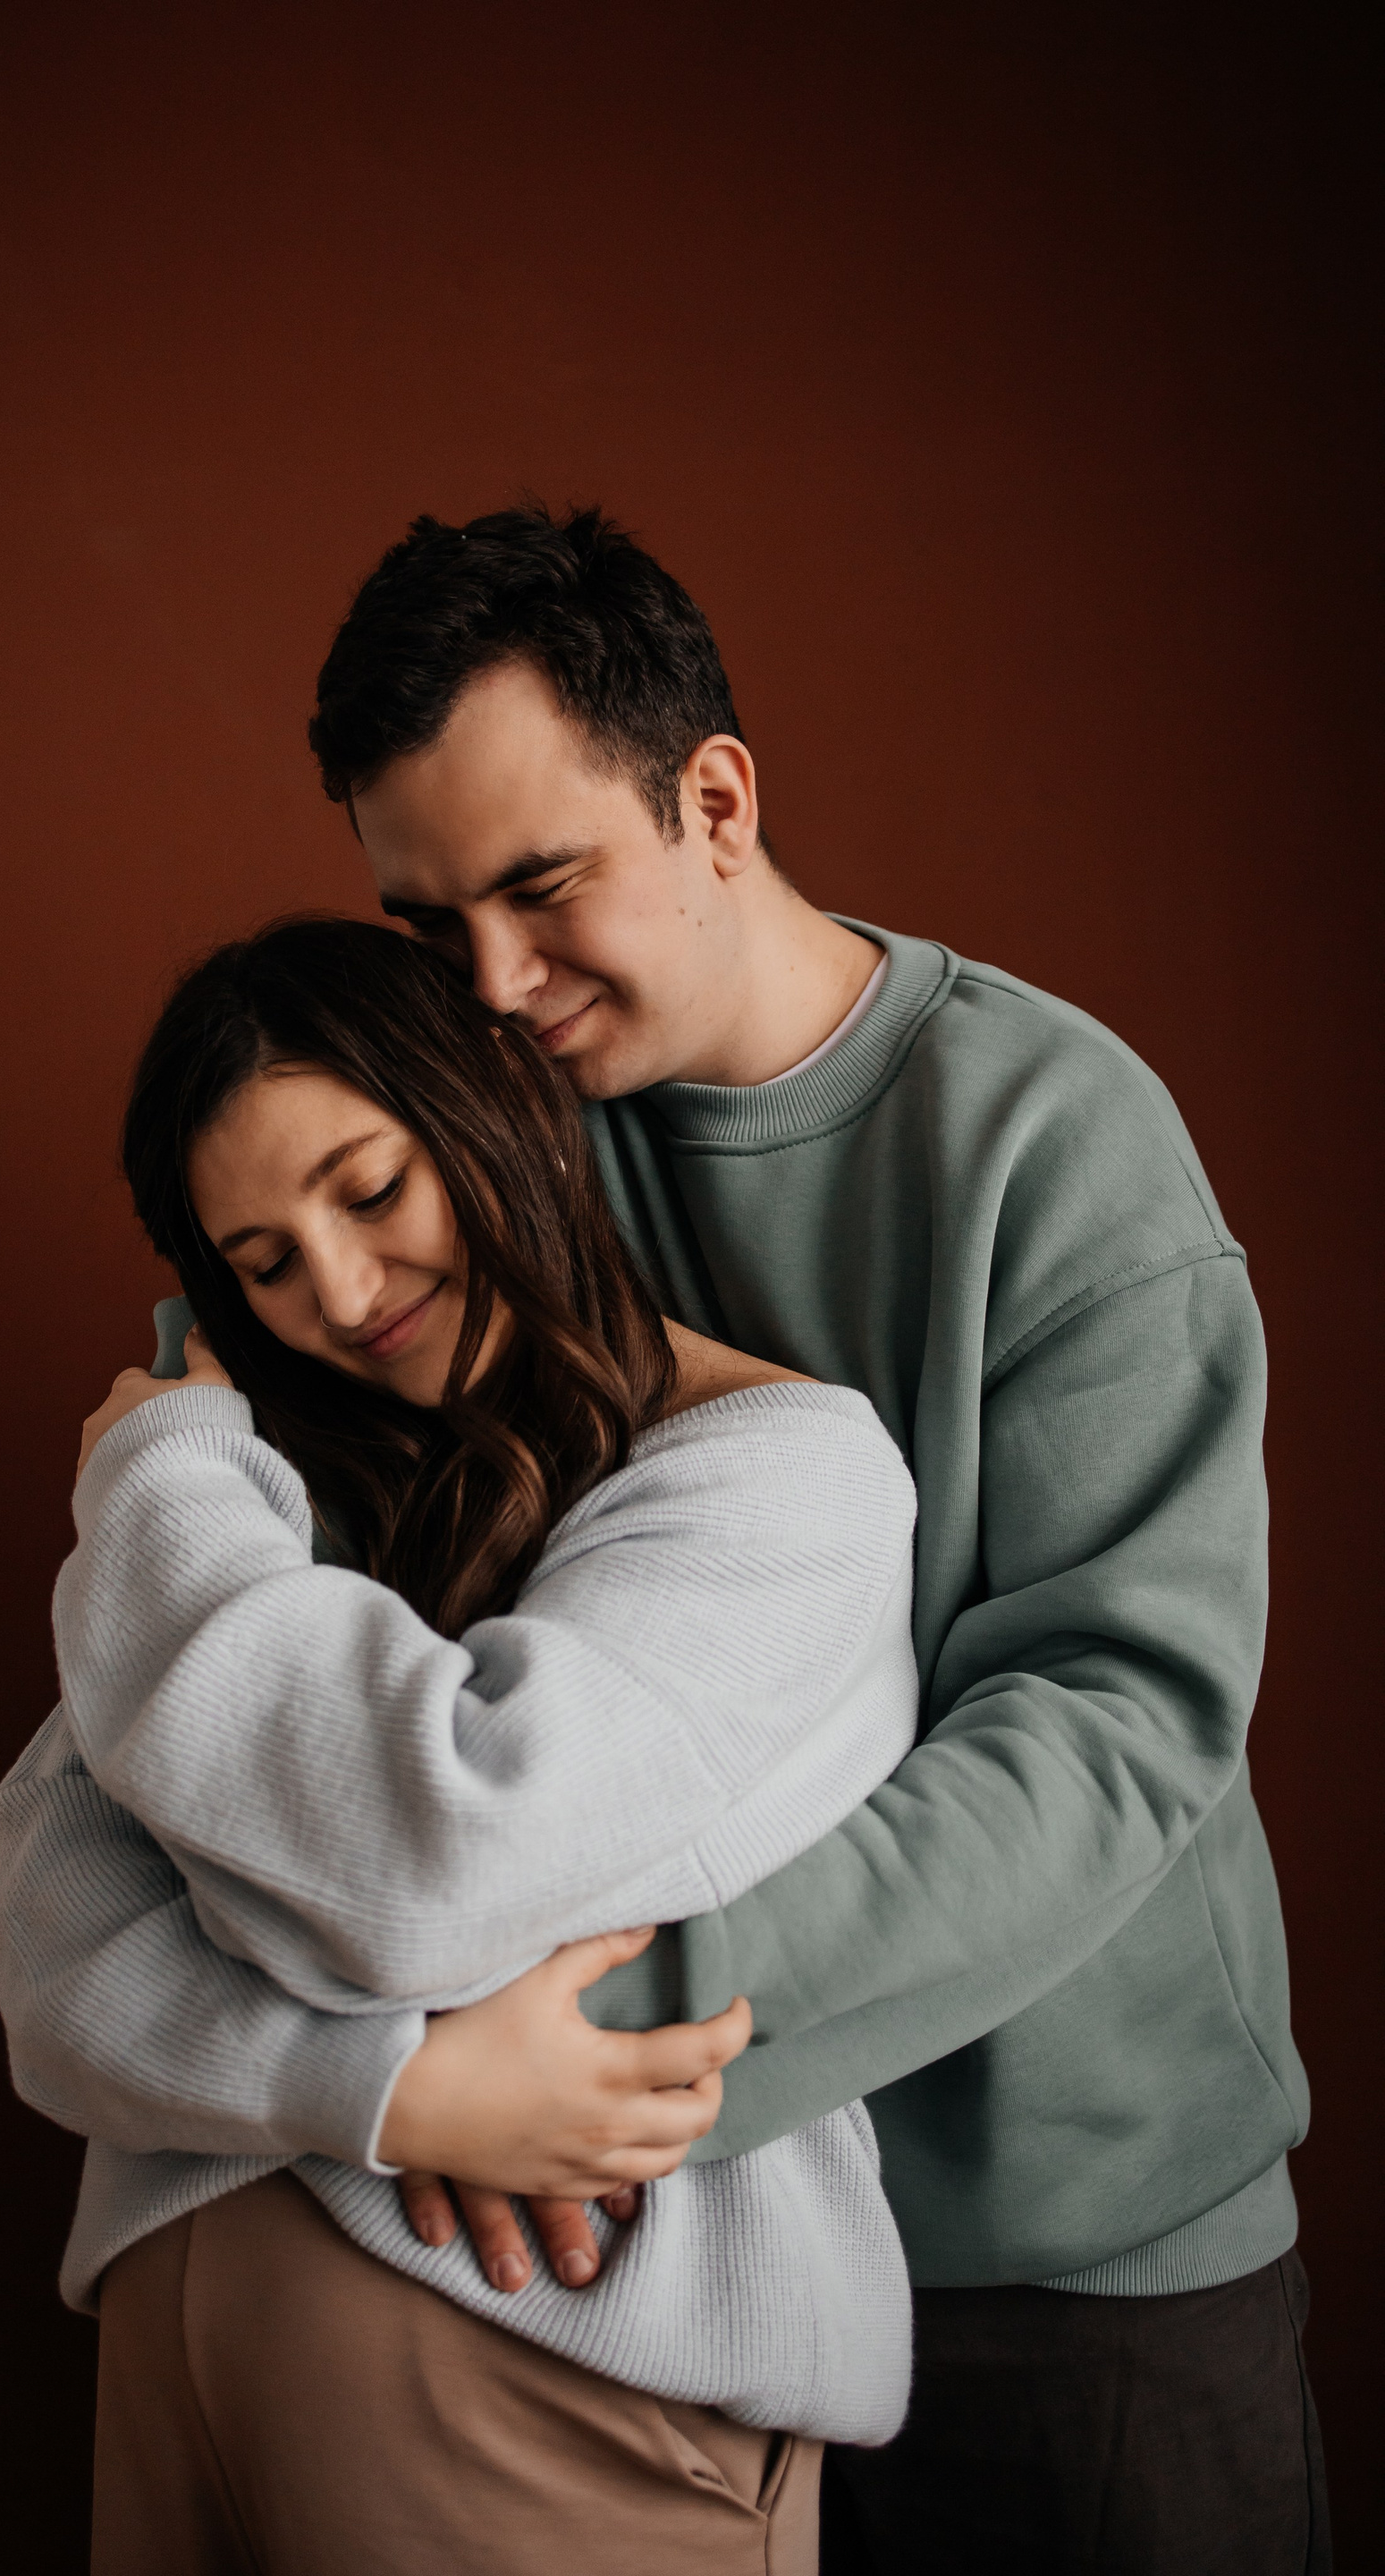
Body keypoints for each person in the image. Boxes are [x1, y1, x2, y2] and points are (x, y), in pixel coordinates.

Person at [284, 505, 1325, 2574]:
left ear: (717, 802)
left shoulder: (1055, 1143)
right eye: (428, 924)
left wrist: (599, 2062)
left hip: (1062, 2257)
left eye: (540, 886)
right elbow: (259, 1429)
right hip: (660, 2273)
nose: (489, 984)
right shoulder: (485, 1146)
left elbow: (1107, 1729)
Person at [0, 917, 922, 2572]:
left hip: (545, 2380)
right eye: (265, 1264)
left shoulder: (787, 1480)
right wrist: (388, 2087)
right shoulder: (269, 1521)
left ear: (495, 1105)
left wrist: (161, 1471)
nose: (342, 1296)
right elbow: (55, 1969)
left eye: (370, 1190)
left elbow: (429, 1863)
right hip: (176, 2378)